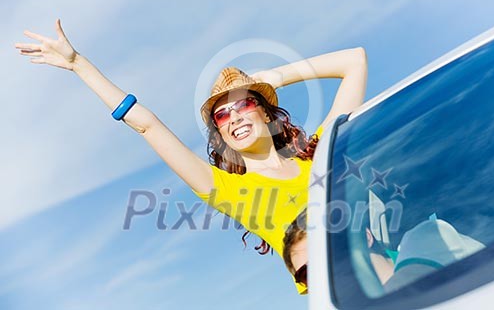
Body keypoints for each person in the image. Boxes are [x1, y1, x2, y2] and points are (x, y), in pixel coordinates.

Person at [15, 19, 368, 294]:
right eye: (222, 115)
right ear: (220, 133)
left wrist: (270, 78)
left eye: (245, 103)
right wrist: (79, 64)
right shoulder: (231, 192)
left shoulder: (321, 152)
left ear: (264, 112)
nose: (235, 117)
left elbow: (354, 61)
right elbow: (148, 126)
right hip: (345, 293)